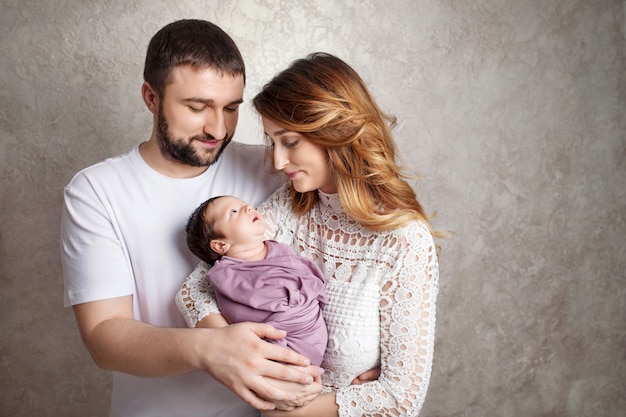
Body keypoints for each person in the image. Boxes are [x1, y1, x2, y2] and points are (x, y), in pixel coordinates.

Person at [60, 19, 323, 417]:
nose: (217, 128)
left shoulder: (274, 167)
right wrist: (211, 347)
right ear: (151, 97)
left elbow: (340, 252)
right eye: (197, 107)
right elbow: (103, 336)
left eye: (231, 108)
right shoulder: (96, 191)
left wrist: (361, 356)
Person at [177, 52, 445, 416]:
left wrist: (284, 412)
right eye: (273, 142)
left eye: (289, 142)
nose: (277, 162)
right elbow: (195, 290)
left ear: (333, 133)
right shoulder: (291, 206)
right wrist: (235, 348)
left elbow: (400, 399)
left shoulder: (404, 241)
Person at [185, 195, 328, 366]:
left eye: (246, 204)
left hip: (311, 330)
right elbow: (243, 312)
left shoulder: (279, 249)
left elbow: (306, 275)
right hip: (281, 343)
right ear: (220, 245)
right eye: (233, 211)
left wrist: (307, 293)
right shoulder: (227, 275)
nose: (248, 208)